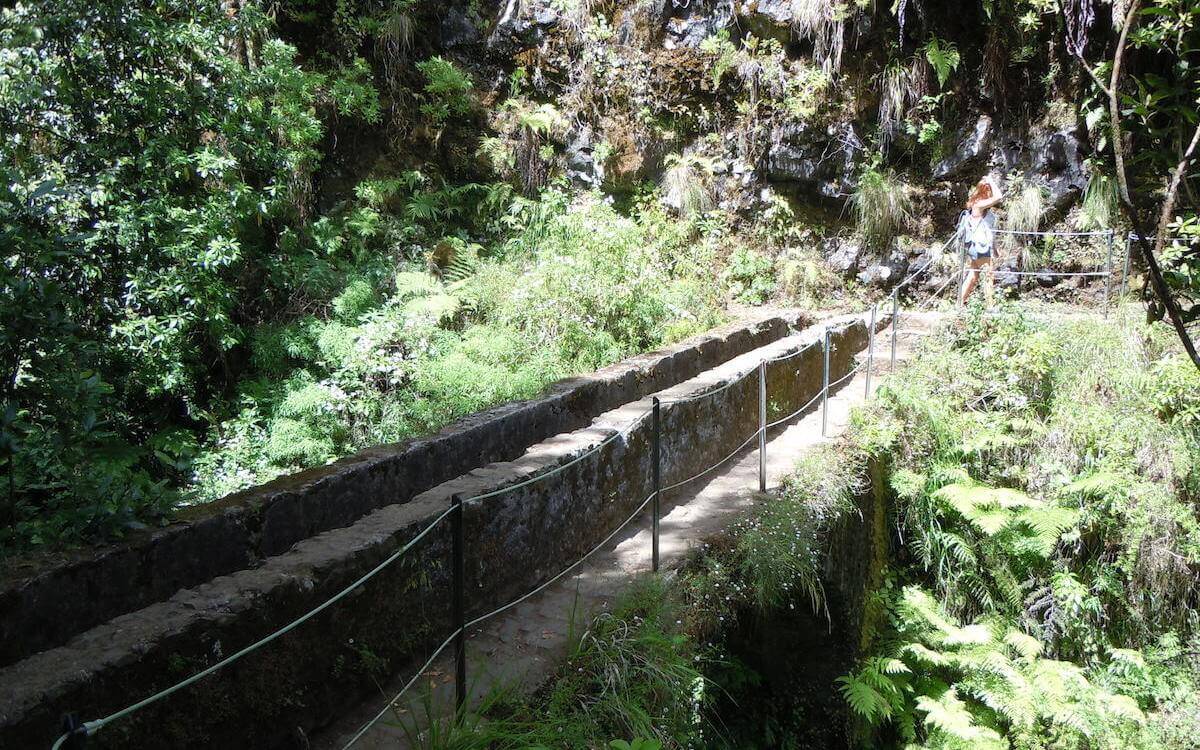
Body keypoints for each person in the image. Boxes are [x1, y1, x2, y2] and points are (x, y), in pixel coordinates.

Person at [957, 175, 1004, 305]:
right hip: (980, 247)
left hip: (978, 246)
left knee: (973, 275)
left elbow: (987, 229)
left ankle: (959, 303)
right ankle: (990, 308)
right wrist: (991, 181)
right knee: (989, 276)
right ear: (986, 191)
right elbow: (999, 197)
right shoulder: (978, 205)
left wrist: (995, 248)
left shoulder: (979, 206)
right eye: (989, 191)